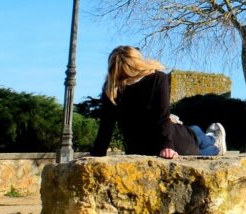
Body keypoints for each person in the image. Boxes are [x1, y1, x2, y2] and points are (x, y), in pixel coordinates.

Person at [89, 46, 226, 159]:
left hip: (138, 149)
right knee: (194, 132)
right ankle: (214, 144)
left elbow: (106, 127)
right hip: (175, 144)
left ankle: (211, 141)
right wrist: (167, 146)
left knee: (193, 131)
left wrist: (97, 153)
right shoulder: (157, 78)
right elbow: (162, 117)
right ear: (138, 61)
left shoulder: (111, 89)